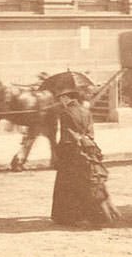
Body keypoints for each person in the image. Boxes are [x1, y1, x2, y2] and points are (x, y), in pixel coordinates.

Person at [50, 90, 120, 227]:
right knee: (86, 183)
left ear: (66, 98)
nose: (61, 101)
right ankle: (93, 214)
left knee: (67, 185)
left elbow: (66, 137)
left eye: (61, 98)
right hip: (87, 151)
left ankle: (68, 217)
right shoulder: (86, 111)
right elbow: (90, 134)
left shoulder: (65, 113)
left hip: (71, 153)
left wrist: (59, 153)